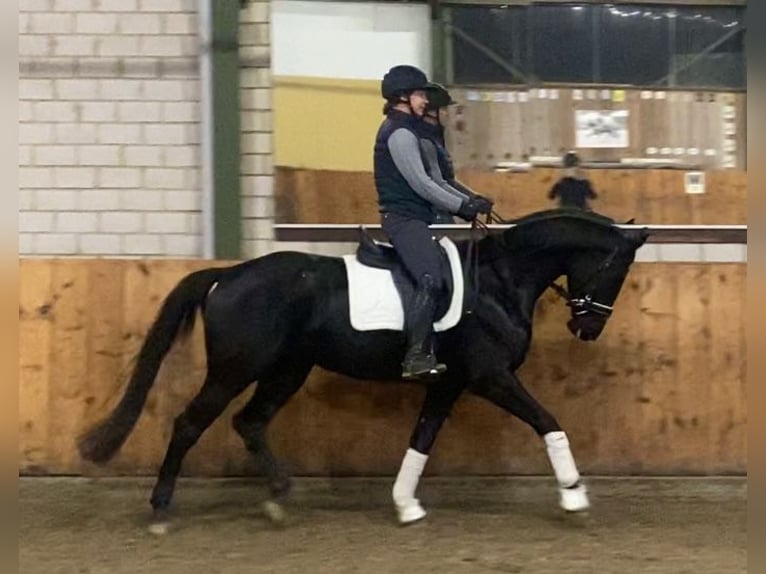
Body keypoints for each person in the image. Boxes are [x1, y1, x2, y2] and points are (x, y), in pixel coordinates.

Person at [373, 64, 488, 380]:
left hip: (417, 218)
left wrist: (469, 201)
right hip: (404, 220)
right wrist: (462, 205)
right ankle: (416, 356)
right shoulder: (399, 135)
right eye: (420, 94)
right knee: (429, 278)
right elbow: (422, 184)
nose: (425, 101)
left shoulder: (406, 131)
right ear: (403, 97)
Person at [418, 82, 494, 223]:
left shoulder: (435, 139)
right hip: (433, 214)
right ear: (432, 112)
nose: (448, 114)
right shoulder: (425, 141)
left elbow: (448, 180)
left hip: (442, 209)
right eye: (444, 109)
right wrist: (468, 203)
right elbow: (438, 182)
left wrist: (473, 197)